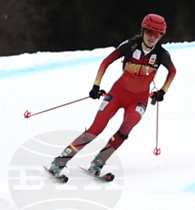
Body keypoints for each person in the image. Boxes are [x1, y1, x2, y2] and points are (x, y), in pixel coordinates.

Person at [47, 14, 175, 178]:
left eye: (157, 35)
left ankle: (98, 163)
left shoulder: (161, 54)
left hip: (138, 100)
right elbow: (106, 62)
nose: (152, 37)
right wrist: (96, 85)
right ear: (143, 31)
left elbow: (173, 71)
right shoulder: (130, 46)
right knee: (95, 129)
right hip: (118, 94)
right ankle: (60, 162)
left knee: (127, 127)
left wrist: (163, 91)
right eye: (149, 32)